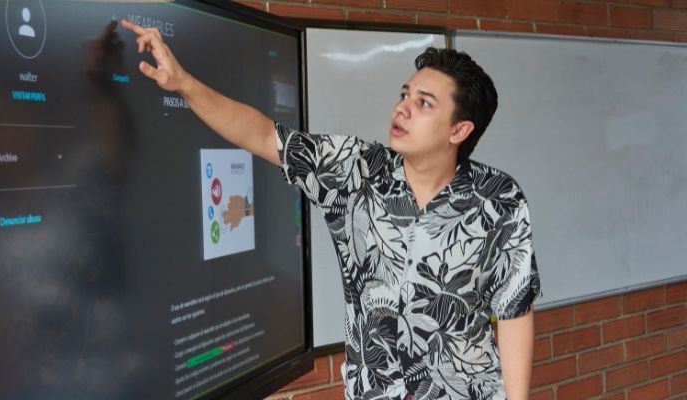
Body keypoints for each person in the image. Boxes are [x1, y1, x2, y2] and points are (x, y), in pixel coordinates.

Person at [121, 19, 541, 400]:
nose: (402, 108)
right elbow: (264, 135)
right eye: (404, 94)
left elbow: (514, 309)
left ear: (459, 130)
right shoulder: (354, 169)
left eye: (425, 103)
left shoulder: (499, 198)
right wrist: (183, 83)